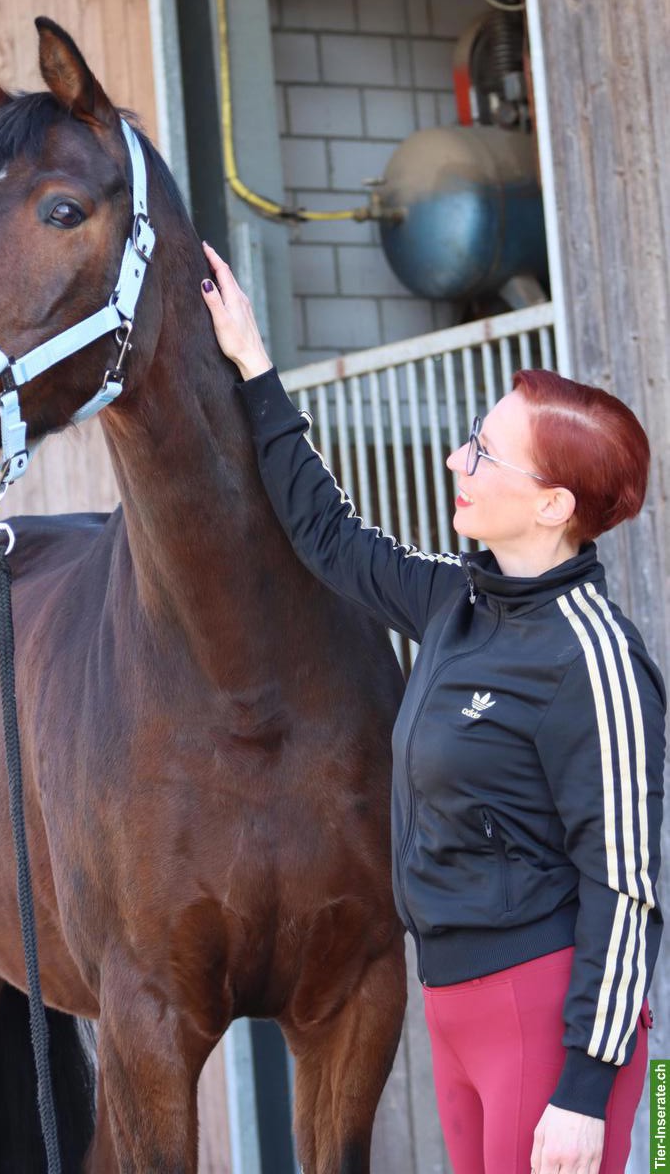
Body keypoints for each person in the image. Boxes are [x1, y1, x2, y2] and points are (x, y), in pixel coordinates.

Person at [199, 240, 665, 1174]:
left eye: (485, 452)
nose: (459, 457)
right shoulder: (457, 599)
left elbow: (628, 883)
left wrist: (584, 1087)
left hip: (542, 1018)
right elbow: (327, 536)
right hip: (452, 1006)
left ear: (550, 506)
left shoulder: (595, 656)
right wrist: (253, 365)